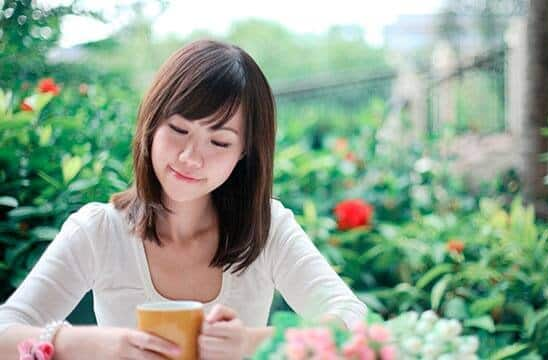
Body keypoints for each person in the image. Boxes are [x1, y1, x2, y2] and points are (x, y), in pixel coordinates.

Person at [0, 39, 367, 359]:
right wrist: (100, 346)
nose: (191, 157)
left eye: (219, 142)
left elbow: (354, 320)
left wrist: (249, 343)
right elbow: (4, 332)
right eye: (178, 129)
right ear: (152, 123)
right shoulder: (99, 231)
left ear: (244, 153)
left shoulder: (266, 228)